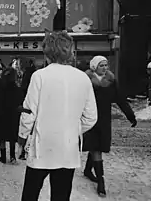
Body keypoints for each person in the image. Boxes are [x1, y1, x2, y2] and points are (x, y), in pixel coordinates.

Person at [20, 30, 98, 201]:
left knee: (30, 194)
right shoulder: (83, 78)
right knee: (61, 196)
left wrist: (22, 137)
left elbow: (29, 112)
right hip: (68, 148)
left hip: (41, 147)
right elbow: (91, 117)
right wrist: (73, 129)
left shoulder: (39, 76)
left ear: (47, 52)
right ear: (69, 51)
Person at [82, 55, 137, 197]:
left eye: (106, 65)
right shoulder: (85, 81)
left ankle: (88, 170)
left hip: (105, 120)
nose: (105, 68)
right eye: (102, 65)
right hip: (90, 119)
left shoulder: (111, 82)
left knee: (98, 146)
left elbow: (120, 100)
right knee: (96, 148)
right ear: (94, 67)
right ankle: (101, 181)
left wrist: (131, 116)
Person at [18, 59, 37, 160]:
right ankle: (27, 150)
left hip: (27, 106)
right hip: (34, 107)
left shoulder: (28, 75)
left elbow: (23, 87)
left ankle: (22, 151)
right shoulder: (35, 75)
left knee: (25, 129)